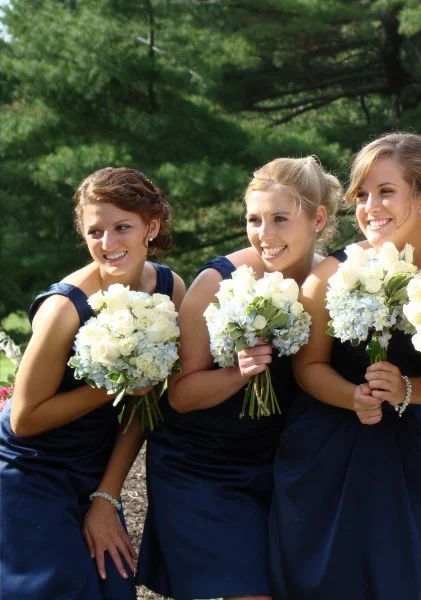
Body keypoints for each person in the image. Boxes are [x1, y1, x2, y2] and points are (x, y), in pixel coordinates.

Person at [136, 157, 338, 600]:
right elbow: (181, 396)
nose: (264, 234)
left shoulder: (333, 281)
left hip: (279, 468)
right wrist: (238, 372)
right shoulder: (217, 282)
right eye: (254, 220)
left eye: (280, 219)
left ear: (318, 218)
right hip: (202, 465)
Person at [269, 133, 421, 600]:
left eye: (386, 191)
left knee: (406, 577)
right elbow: (308, 366)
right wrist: (352, 397)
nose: (371, 206)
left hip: (407, 455)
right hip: (326, 449)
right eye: (363, 194)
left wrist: (409, 389)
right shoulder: (331, 274)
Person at [0, 167, 184, 600]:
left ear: (151, 227)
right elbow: (25, 419)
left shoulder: (167, 288)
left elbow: (148, 402)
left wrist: (107, 495)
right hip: (30, 470)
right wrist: (115, 385)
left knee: (113, 585)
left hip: (94, 465)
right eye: (95, 231)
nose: (108, 244)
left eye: (122, 227)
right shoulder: (63, 309)